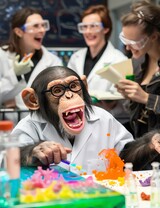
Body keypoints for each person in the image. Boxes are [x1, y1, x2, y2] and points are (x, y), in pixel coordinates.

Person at [12, 66, 160, 171]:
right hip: (52, 201)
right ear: (34, 99)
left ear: (84, 87)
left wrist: (148, 144)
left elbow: (124, 158)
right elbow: (10, 160)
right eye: (57, 90)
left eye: (74, 86)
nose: (69, 95)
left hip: (98, 199)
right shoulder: (30, 126)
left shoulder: (102, 118)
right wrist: (32, 152)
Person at [67, 4, 129, 125]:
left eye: (94, 26)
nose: (88, 31)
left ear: (105, 29)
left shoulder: (119, 60)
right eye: (84, 27)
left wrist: (112, 104)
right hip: (76, 119)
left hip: (106, 122)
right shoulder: (76, 58)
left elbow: (125, 105)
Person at [1, 7, 62, 120]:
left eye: (43, 25)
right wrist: (15, 74)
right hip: (6, 128)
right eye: (35, 26)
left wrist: (10, 100)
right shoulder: (2, 56)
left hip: (41, 128)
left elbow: (59, 97)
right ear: (19, 32)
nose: (42, 30)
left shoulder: (53, 61)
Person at [115, 0, 160, 138]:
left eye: (134, 43)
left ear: (153, 36)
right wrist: (129, 96)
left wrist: (147, 98)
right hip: (141, 142)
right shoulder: (138, 64)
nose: (127, 48)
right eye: (125, 40)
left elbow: (146, 99)